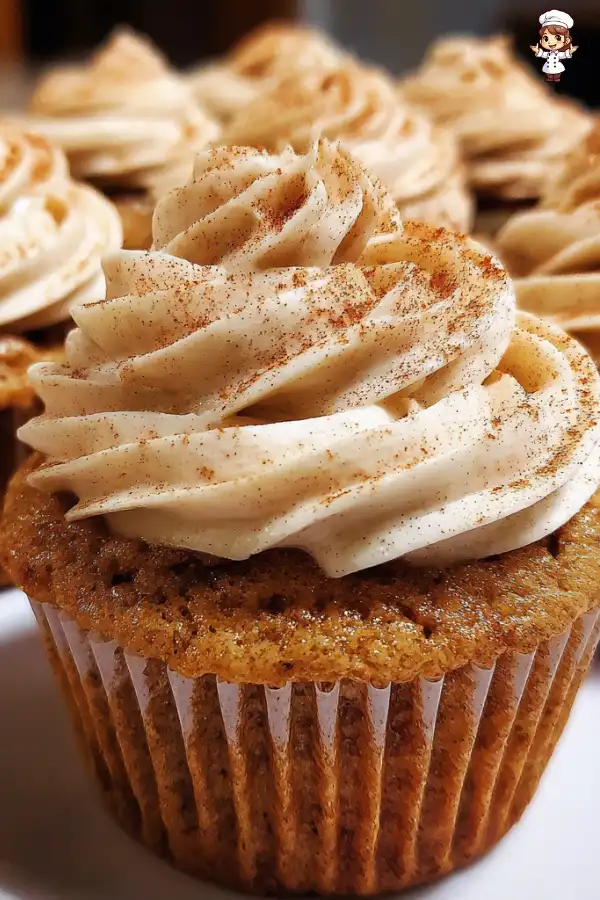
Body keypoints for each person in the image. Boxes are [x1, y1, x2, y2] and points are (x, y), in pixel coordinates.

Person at [531, 9, 578, 83]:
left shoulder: (558, 54)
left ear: (567, 41)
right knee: (548, 72)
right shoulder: (548, 53)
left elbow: (563, 55)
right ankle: (550, 77)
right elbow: (543, 54)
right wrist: (538, 51)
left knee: (556, 72)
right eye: (546, 38)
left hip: (556, 67)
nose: (551, 42)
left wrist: (569, 52)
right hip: (549, 66)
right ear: (541, 41)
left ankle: (556, 77)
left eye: (557, 38)